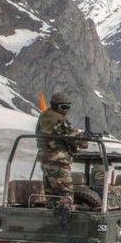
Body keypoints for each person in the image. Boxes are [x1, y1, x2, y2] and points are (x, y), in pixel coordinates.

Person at [36, 92, 85, 221]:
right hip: (58, 160)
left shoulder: (44, 116)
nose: (66, 110)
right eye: (64, 107)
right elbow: (73, 137)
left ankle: (50, 222)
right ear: (56, 106)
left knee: (52, 195)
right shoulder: (58, 119)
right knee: (65, 194)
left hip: (45, 161)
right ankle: (64, 225)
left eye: (68, 107)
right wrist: (83, 139)